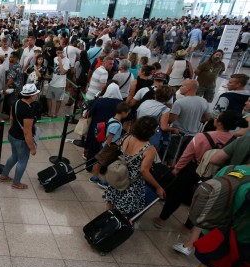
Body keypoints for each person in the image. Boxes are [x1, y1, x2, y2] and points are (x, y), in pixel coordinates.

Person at [153, 111, 248, 240]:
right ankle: (187, 227)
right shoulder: (235, 140)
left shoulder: (201, 137)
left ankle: (161, 220)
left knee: (176, 196)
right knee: (202, 201)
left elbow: (186, 157)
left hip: (193, 170)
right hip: (217, 175)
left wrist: (176, 170)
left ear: (219, 122)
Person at [103, 116, 164, 216]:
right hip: (131, 183)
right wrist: (158, 187)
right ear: (151, 131)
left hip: (118, 174)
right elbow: (144, 171)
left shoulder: (127, 136)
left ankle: (107, 217)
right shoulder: (149, 150)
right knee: (123, 208)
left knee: (111, 201)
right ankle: (116, 224)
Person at [0, 84, 40, 189]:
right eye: (35, 93)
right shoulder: (28, 111)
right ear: (31, 96)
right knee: (23, 160)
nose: (37, 95)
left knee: (14, 156)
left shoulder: (17, 102)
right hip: (21, 140)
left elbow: (12, 118)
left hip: (12, 135)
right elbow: (27, 132)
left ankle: (4, 175)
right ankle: (16, 183)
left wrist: (12, 129)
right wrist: (32, 148)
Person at [90, 102, 131, 189]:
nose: (128, 115)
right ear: (123, 113)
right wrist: (107, 146)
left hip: (106, 144)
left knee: (99, 161)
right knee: (109, 164)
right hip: (110, 146)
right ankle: (105, 181)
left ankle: (94, 176)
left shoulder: (112, 119)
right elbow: (110, 136)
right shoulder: (116, 124)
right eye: (128, 113)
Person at [84, 83, 124, 161]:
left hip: (98, 127)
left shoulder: (99, 101)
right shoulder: (121, 104)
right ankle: (102, 168)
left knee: (94, 146)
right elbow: (128, 116)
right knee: (107, 150)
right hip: (112, 130)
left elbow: (91, 112)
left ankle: (89, 165)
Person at [46, 47, 70, 118]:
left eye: (60, 53)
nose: (59, 54)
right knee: (48, 97)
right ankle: (49, 112)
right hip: (53, 81)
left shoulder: (67, 60)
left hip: (61, 83)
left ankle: (55, 114)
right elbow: (54, 70)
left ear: (63, 52)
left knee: (58, 100)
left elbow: (62, 72)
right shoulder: (54, 59)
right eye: (57, 53)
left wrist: (60, 62)